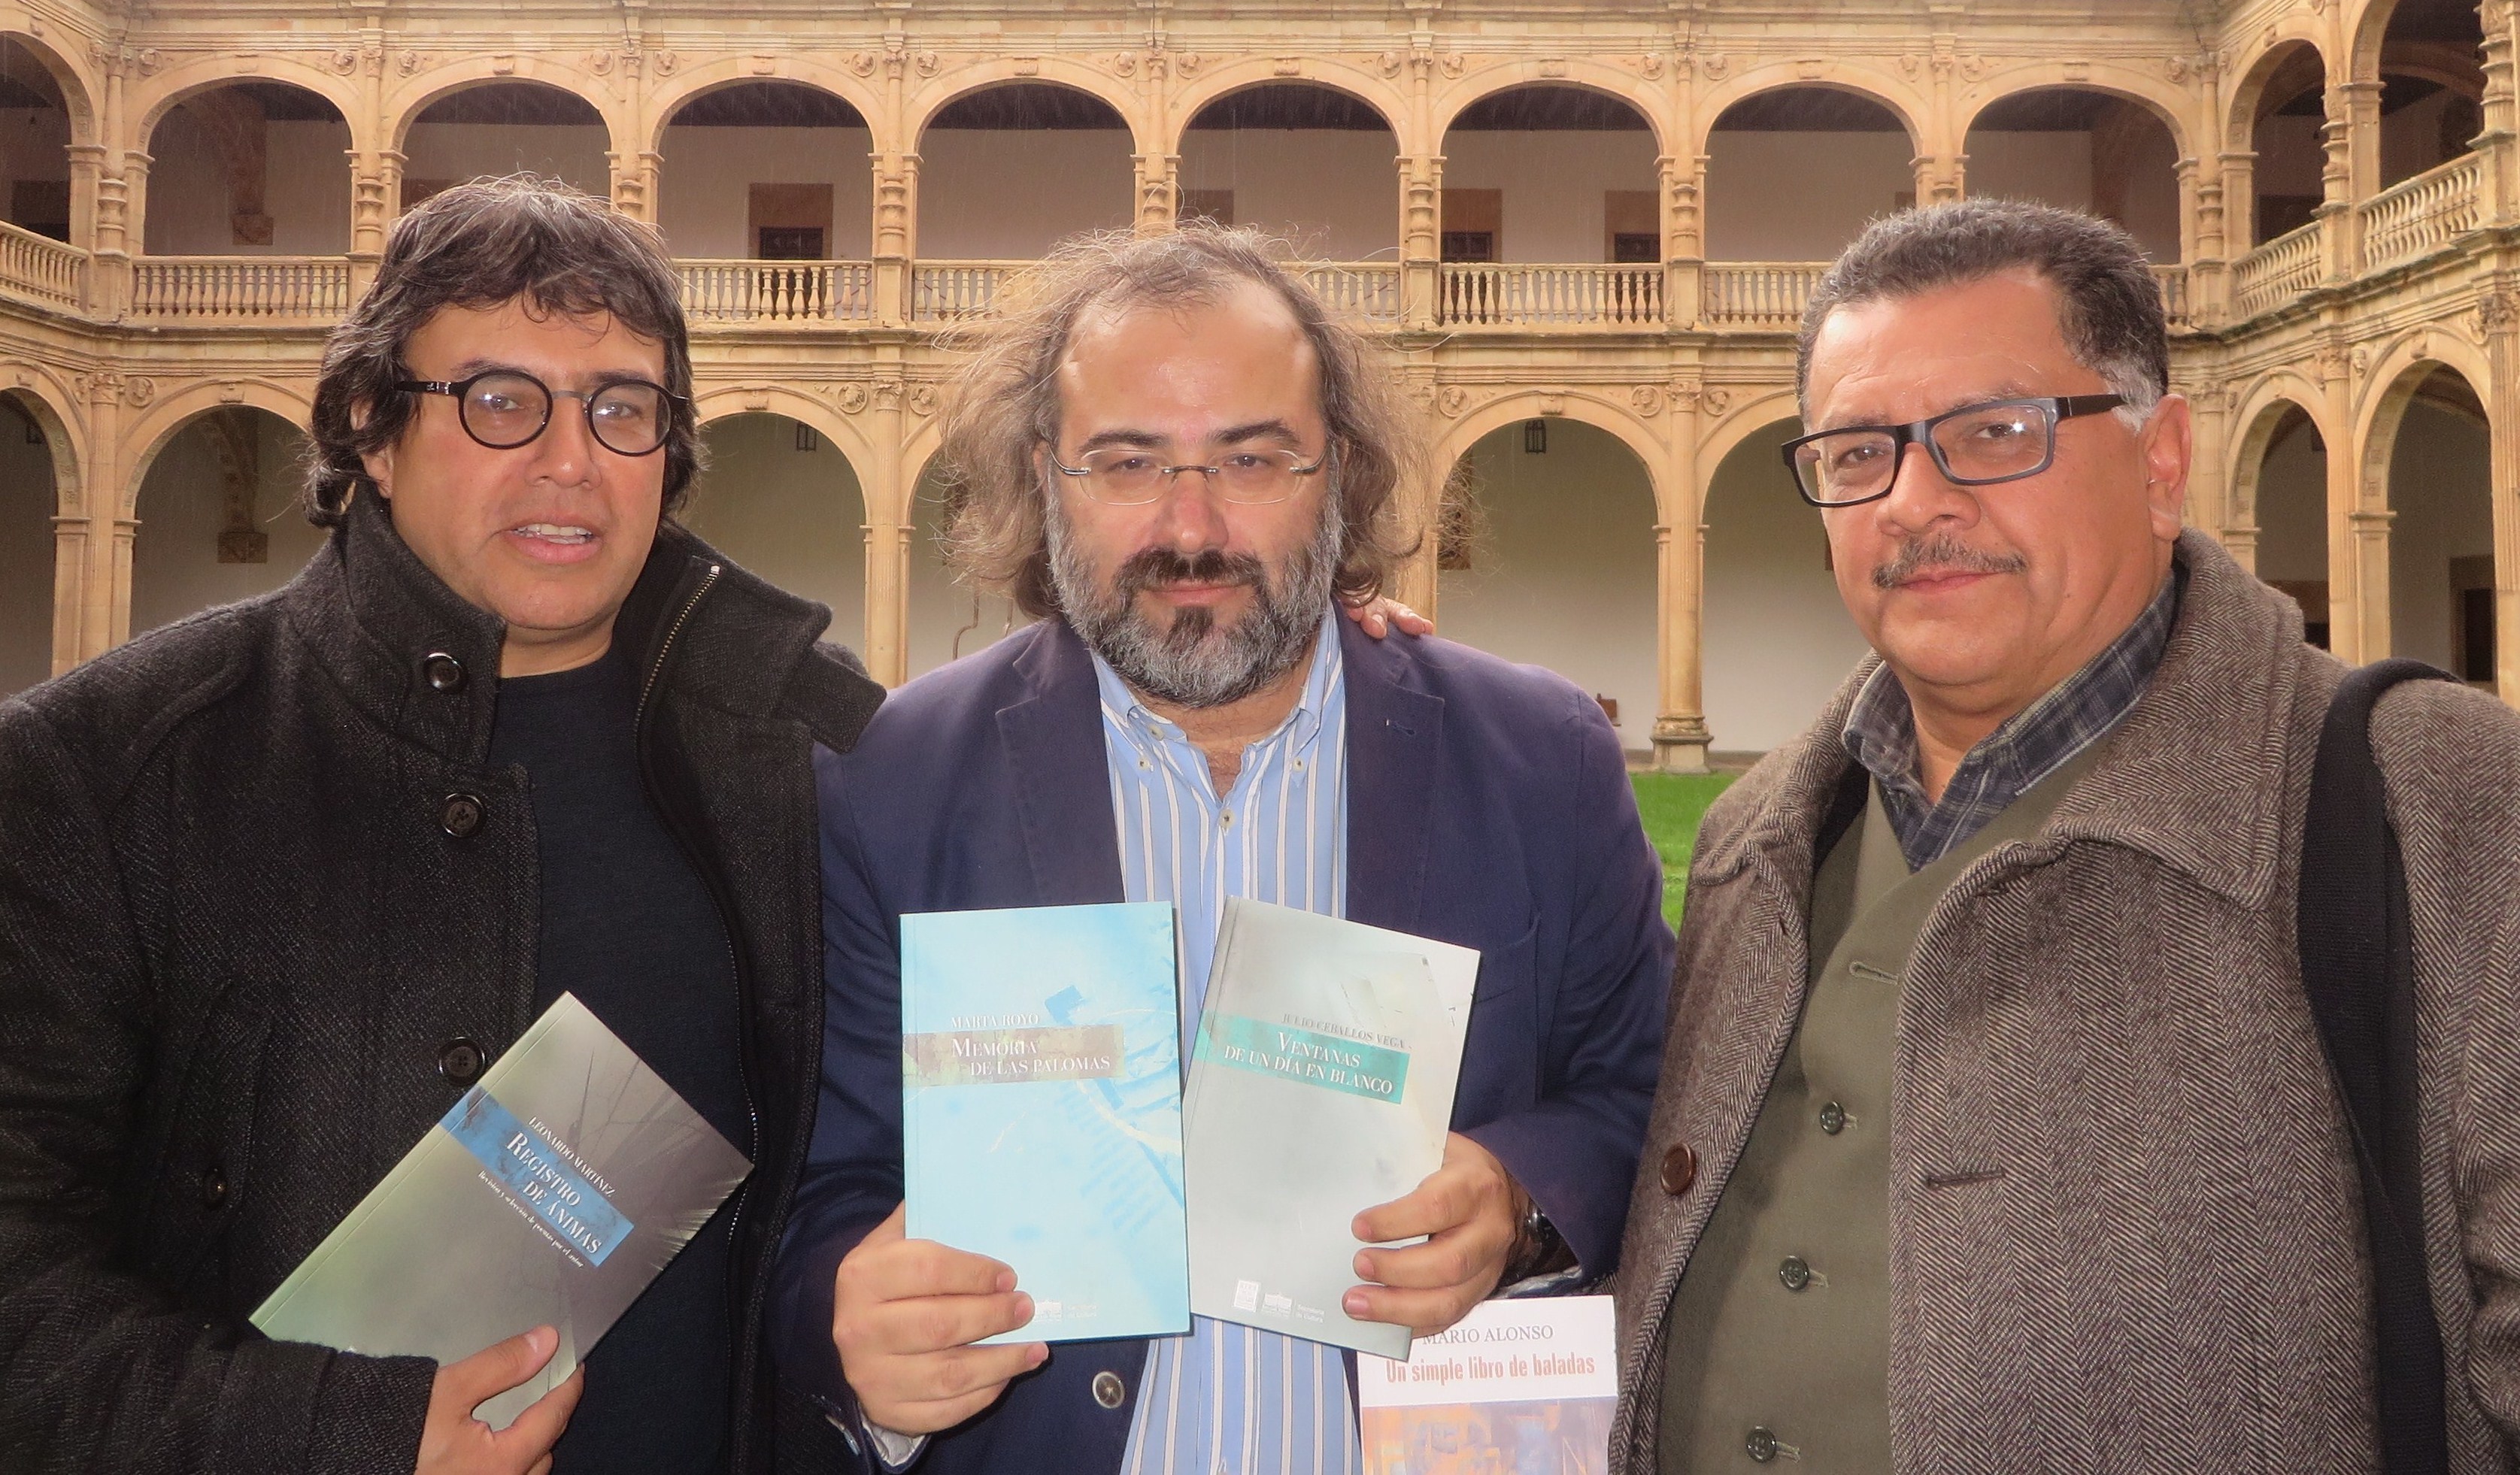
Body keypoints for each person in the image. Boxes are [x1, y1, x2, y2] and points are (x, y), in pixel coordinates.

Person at [1609, 198, 2520, 1471]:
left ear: (2160, 463)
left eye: (1994, 432)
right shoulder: (1758, 837)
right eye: (1857, 451)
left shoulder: (2443, 799)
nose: (1915, 501)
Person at [0, 176, 887, 1475]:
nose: (570, 459)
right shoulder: (110, 771)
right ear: (371, 425)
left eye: (621, 407)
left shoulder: (817, 754)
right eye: (498, 399)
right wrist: (336, 1440)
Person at [769, 225, 1673, 1474]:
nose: (1190, 527)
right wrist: (852, 1326)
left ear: (1339, 470)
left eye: (1251, 459)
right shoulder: (893, 784)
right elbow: (810, 1196)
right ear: (1045, 478)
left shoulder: (1541, 758)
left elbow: (1661, 1103)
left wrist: (1522, 1201)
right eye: (1126, 463)